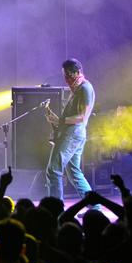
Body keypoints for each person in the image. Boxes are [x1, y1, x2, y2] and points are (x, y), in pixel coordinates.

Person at [45, 58, 95, 200]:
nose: (66, 79)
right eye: (64, 75)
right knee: (74, 173)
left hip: (73, 134)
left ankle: (55, 210)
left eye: (69, 75)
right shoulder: (78, 89)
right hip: (73, 133)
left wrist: (60, 120)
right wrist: (56, 121)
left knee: (53, 170)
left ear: (78, 72)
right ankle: (95, 206)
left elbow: (82, 117)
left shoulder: (85, 88)